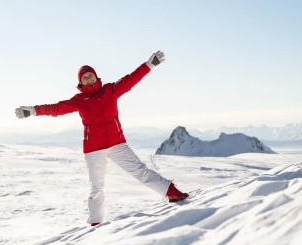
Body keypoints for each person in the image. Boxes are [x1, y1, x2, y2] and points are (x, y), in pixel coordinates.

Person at [15, 51, 189, 226]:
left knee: (140, 171)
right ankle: (95, 224)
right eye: (84, 77)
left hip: (117, 143)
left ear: (96, 76)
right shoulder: (79, 100)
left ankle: (172, 193)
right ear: (80, 82)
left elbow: (131, 79)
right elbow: (56, 109)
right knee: (97, 188)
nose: (88, 79)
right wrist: (32, 110)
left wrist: (149, 64)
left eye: (90, 75)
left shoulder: (110, 90)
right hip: (94, 149)